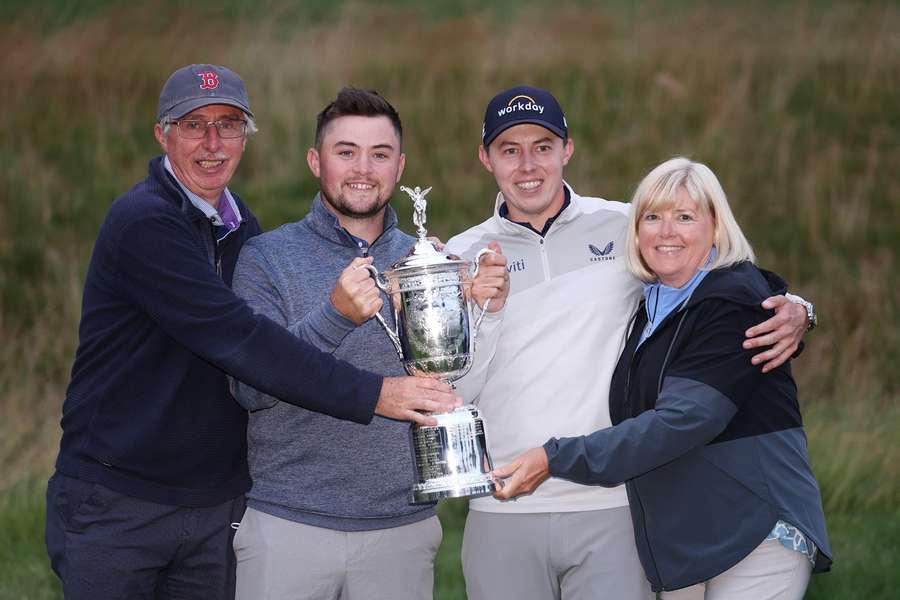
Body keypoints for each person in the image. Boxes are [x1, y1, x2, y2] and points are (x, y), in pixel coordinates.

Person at [45, 66, 459, 600]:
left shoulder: (241, 230)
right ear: (162, 134)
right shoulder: (144, 223)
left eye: (229, 125)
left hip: (215, 502)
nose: (213, 143)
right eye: (194, 125)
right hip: (119, 499)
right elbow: (244, 345)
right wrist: (376, 392)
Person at [445, 86, 816, 600]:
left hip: (615, 502)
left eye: (543, 146)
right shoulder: (459, 257)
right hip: (505, 501)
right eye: (510, 149)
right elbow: (452, 393)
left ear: (567, 151)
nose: (528, 164)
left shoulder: (627, 225)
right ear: (486, 158)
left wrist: (796, 307)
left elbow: (723, 271)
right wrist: (485, 312)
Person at [228, 87, 508, 600]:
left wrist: (479, 310)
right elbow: (250, 391)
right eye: (345, 152)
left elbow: (451, 388)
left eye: (379, 154)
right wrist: (334, 315)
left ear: (400, 167)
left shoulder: (429, 261)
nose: (363, 168)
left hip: (400, 530)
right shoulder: (266, 259)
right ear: (316, 161)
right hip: (290, 526)